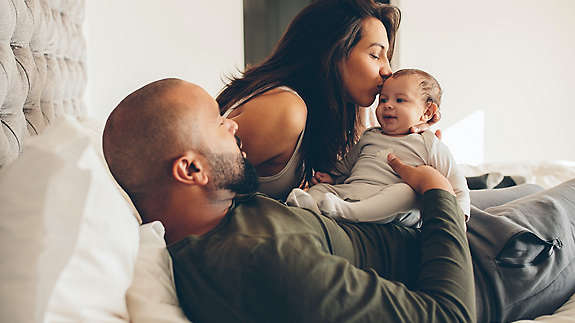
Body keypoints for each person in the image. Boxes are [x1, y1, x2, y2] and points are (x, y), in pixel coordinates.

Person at [103, 79, 575, 323]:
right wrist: (435, 191)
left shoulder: (223, 217)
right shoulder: (261, 260)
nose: (234, 126)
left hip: (429, 233)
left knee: (532, 188)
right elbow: (448, 316)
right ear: (190, 170)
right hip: (490, 268)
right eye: (218, 123)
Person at [216, 0, 442, 201]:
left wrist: (410, 139)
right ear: (331, 54)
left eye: (387, 57)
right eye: (375, 55)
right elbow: (196, 187)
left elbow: (356, 185)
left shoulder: (338, 112)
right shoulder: (284, 110)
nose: (388, 70)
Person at [286, 69, 470, 225]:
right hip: (353, 192)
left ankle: (348, 213)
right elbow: (347, 166)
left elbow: (457, 183)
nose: (387, 105)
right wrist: (331, 177)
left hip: (391, 204)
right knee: (322, 190)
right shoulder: (370, 135)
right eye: (383, 100)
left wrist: (459, 218)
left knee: (406, 192)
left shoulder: (428, 143)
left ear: (427, 112)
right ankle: (309, 206)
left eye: (400, 100)